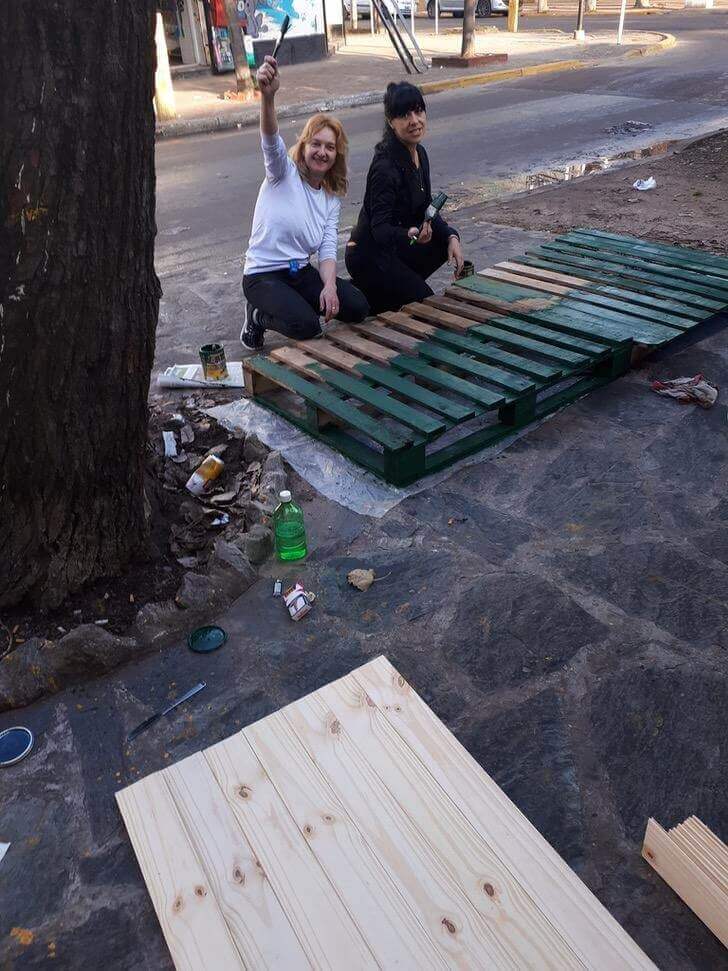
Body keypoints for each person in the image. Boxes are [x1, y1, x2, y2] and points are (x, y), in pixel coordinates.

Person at [240, 56, 369, 350]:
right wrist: (267, 97)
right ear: (304, 146)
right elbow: (269, 138)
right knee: (307, 325)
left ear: (337, 154)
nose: (322, 152)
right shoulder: (282, 172)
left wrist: (330, 287)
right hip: (263, 276)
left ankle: (299, 302)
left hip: (299, 273)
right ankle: (257, 316)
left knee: (358, 307)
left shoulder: (331, 194)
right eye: (316, 144)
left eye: (329, 147)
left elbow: (325, 248)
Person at [345, 82, 465, 315]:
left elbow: (426, 205)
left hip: (395, 249)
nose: (414, 121)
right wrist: (409, 234)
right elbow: (379, 229)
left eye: (418, 111)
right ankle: (368, 292)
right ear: (391, 122)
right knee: (425, 305)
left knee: (442, 243)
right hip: (369, 255)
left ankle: (383, 291)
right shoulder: (385, 167)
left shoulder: (419, 153)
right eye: (404, 115)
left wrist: (451, 236)